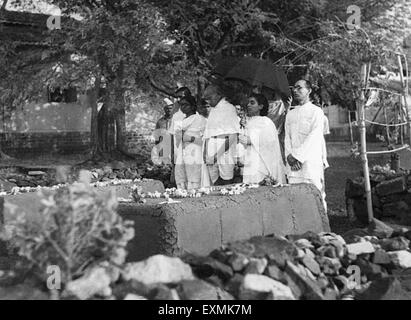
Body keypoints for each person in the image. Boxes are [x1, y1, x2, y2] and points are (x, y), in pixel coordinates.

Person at [285, 79, 328, 211]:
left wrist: (298, 156)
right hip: (293, 164)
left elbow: (314, 137)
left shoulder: (316, 112)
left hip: (310, 162)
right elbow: (287, 137)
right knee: (296, 198)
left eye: (300, 88)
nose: (295, 90)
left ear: (308, 91)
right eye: (294, 88)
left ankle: (321, 229)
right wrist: (289, 156)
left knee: (315, 196)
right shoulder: (290, 114)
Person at [238, 93, 286, 185]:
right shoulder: (248, 122)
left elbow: (269, 142)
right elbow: (242, 141)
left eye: (252, 103)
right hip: (250, 161)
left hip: (262, 162)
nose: (248, 105)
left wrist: (250, 140)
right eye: (248, 103)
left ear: (260, 106)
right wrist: (242, 128)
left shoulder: (266, 122)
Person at [201, 84, 240, 186]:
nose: (208, 102)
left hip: (224, 149)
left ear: (218, 95)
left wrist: (216, 155)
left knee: (226, 182)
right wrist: (205, 152)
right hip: (210, 150)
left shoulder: (229, 108)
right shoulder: (213, 110)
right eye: (206, 100)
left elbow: (232, 135)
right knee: (214, 183)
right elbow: (207, 134)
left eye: (210, 98)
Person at [174, 95, 207, 190]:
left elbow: (205, 140)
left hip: (195, 151)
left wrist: (190, 138)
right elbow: (177, 139)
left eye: (186, 105)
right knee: (181, 175)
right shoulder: (180, 121)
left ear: (193, 106)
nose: (183, 107)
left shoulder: (201, 120)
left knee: (194, 178)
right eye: (181, 105)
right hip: (182, 151)